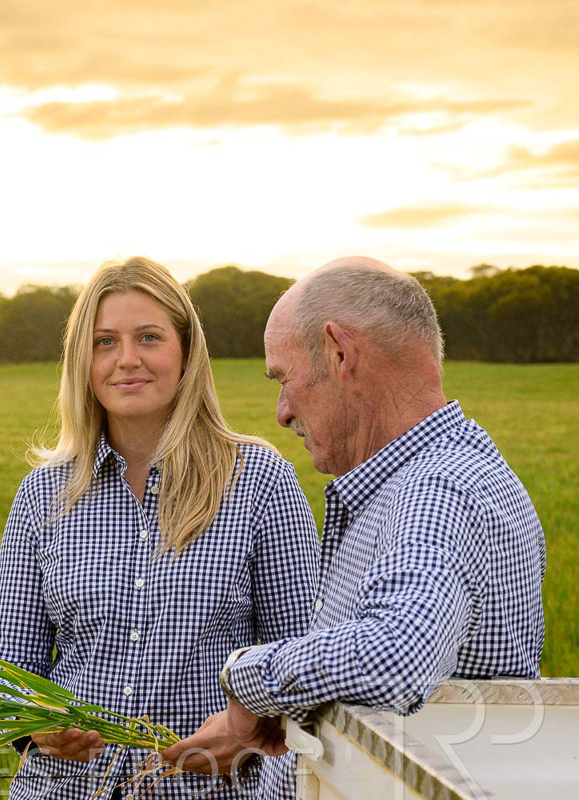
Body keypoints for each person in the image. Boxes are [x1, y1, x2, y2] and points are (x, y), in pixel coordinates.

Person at [162, 257, 547, 798]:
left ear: (339, 353)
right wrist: (292, 708)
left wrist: (248, 678)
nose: (282, 412)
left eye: (284, 378)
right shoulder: (420, 478)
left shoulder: (437, 491)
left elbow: (395, 656)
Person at [0, 257, 320, 799]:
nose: (126, 360)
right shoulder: (44, 494)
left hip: (206, 790)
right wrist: (36, 727)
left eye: (148, 337)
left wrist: (256, 734)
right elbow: (4, 674)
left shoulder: (259, 481)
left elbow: (307, 661)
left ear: (185, 351)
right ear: (82, 360)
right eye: (104, 342)